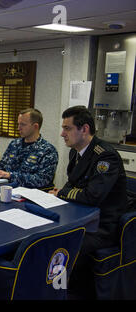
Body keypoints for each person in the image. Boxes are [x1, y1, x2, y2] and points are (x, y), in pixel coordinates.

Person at [50, 106, 127, 297]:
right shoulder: (76, 152)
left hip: (102, 226)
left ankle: (63, 293)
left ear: (84, 129)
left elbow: (93, 196)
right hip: (80, 218)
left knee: (62, 246)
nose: (62, 133)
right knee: (44, 236)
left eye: (67, 128)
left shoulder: (105, 156)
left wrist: (63, 193)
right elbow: (73, 185)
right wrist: (64, 192)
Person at [0, 108, 58, 189]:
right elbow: (2, 165)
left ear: (35, 126)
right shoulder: (15, 144)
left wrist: (10, 175)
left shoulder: (48, 150)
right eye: (18, 124)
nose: (18, 128)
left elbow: (42, 179)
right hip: (6, 188)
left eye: (23, 124)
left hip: (30, 194)